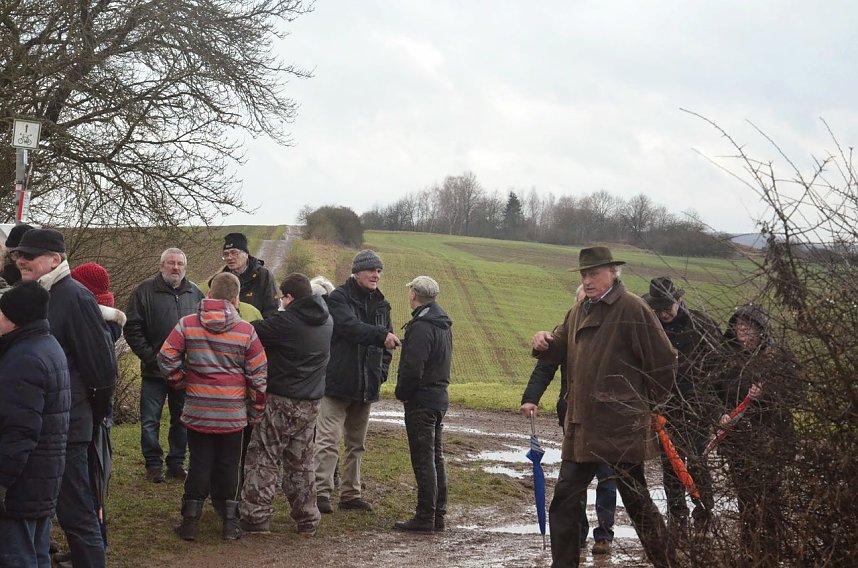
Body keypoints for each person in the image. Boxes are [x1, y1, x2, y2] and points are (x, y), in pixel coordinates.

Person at [532, 246, 677, 568]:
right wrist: (544, 341)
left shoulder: (632, 309)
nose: (588, 280)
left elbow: (664, 363)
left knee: (637, 502)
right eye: (584, 274)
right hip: (583, 425)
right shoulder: (579, 310)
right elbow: (559, 347)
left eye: (594, 273)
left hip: (620, 428)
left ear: (613, 272)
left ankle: (668, 562)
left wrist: (643, 405)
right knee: (565, 499)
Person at [12, 229, 116, 568]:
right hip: (39, 424)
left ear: (55, 260)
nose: (21, 260)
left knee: (76, 511)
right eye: (18, 254)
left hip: (69, 426)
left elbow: (101, 367)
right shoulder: (34, 294)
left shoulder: (74, 296)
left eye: (30, 255)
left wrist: (91, 414)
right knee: (40, 507)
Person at [158, 272, 267, 541]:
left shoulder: (187, 324)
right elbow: (258, 376)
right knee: (229, 465)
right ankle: (230, 524)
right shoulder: (246, 330)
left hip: (198, 408)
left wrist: (181, 382)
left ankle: (190, 523)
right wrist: (255, 411)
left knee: (199, 463)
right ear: (235, 298)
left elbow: (166, 357)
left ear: (209, 295)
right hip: (232, 413)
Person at [521, 284, 617, 554]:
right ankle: (578, 532)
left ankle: (604, 534)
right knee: (575, 481)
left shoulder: (613, 332)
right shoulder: (566, 330)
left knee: (608, 478)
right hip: (573, 417)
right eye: (582, 302)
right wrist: (530, 398)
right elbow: (545, 367)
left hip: (609, 419)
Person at [239, 273, 333, 536]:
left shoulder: (286, 322)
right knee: (301, 462)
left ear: (289, 297)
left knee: (264, 457)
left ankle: (256, 518)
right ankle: (308, 518)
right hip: (311, 403)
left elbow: (250, 330)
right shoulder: (327, 320)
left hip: (280, 400)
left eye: (283, 297)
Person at [314, 250, 400, 514]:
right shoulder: (338, 298)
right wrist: (381, 335)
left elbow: (388, 345)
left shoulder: (382, 305)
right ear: (357, 272)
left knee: (356, 444)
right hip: (337, 383)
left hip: (366, 385)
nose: (376, 275)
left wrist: (381, 372)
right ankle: (320, 492)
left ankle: (351, 494)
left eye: (379, 271)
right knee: (327, 441)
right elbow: (349, 327)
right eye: (371, 270)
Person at [713, 305, 797, 566]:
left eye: (749, 328)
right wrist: (719, 415)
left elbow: (796, 395)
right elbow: (709, 391)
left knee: (769, 496)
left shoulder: (778, 359)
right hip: (737, 441)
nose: (743, 333)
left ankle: (772, 551)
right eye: (739, 327)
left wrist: (766, 395)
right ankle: (750, 549)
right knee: (745, 497)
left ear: (761, 331)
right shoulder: (725, 357)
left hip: (771, 441)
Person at [0, 282, 71, 567]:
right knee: (38, 554)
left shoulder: (24, 359)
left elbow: (19, 431)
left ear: (15, 318)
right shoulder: (47, 345)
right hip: (42, 477)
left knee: (17, 558)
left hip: (21, 484)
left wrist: (1, 481)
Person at [642, 276, 720, 533]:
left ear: (679, 301)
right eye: (658, 308)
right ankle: (678, 518)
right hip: (664, 406)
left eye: (668, 307)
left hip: (697, 405)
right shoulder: (648, 325)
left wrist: (710, 398)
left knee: (697, 461)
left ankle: (704, 511)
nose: (664, 313)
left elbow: (720, 362)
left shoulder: (701, 324)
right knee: (670, 464)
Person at [124, 248, 204, 483]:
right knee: (150, 420)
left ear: (185, 268)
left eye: (180, 264)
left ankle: (176, 464)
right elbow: (132, 328)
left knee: (182, 419)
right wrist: (151, 357)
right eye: (170, 263)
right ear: (161, 266)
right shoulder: (144, 291)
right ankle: (153, 465)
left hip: (183, 372)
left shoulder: (195, 293)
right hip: (153, 371)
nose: (175, 268)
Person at [71, 262, 127, 550]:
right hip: (96, 413)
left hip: (93, 413)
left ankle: (96, 542)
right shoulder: (107, 322)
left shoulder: (98, 326)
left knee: (92, 480)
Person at [394, 276, 453, 532]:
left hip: (421, 399)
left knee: (423, 459)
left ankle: (424, 516)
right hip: (440, 397)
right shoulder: (442, 323)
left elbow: (413, 368)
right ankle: (438, 514)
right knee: (436, 457)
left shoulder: (421, 326)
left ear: (414, 295)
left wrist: (402, 393)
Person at [220, 232, 278, 318]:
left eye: (234, 253)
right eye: (226, 254)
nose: (229, 257)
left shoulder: (263, 276)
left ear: (246, 254)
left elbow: (271, 310)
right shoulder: (222, 279)